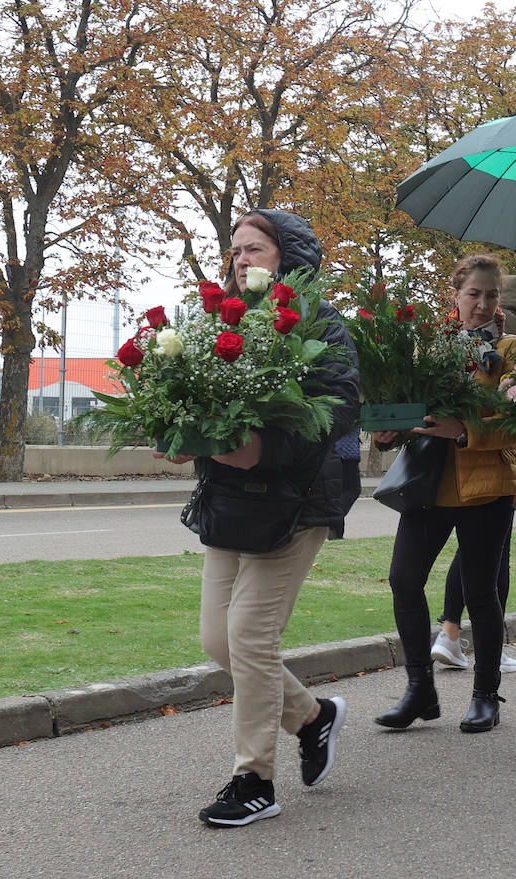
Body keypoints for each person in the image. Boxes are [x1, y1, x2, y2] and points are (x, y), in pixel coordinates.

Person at [157, 209, 359, 828]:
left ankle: (254, 781)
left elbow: (333, 417)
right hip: (230, 501)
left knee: (249, 635)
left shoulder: (324, 326)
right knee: (219, 642)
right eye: (235, 250)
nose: (241, 258)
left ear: (289, 256)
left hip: (298, 503)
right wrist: (179, 433)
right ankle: (312, 716)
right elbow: (193, 406)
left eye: (255, 248)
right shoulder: (219, 323)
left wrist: (254, 449)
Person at [372, 254, 516, 733]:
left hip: (487, 487)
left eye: (491, 295)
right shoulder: (429, 349)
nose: (481, 304)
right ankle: (420, 691)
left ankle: (485, 696)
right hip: (429, 485)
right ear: (456, 296)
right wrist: (388, 433)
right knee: (403, 580)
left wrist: (464, 430)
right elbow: (413, 417)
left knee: (481, 593)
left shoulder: (514, 349)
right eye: (473, 294)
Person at [429, 282, 516, 675]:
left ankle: (449, 632)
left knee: (474, 553)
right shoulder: (513, 331)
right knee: (493, 556)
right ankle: (484, 648)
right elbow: (515, 415)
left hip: (465, 461)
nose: (481, 305)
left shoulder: (447, 335)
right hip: (496, 463)